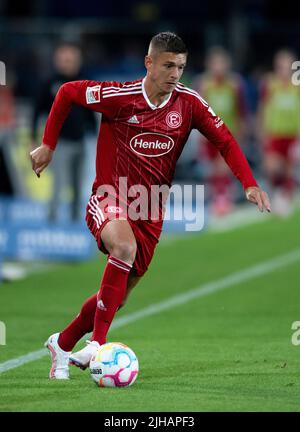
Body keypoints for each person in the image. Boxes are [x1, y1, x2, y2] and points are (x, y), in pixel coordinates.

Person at [30, 32, 271, 380]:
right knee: (123, 248)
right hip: (109, 197)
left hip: (151, 210)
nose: (176, 74)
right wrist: (48, 146)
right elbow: (67, 92)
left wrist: (248, 183)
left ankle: (63, 343)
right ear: (149, 63)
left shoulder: (189, 103)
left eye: (182, 67)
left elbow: (225, 140)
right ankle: (98, 345)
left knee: (117, 298)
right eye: (169, 65)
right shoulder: (121, 96)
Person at [31, 42, 97, 222]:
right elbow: (37, 110)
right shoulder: (50, 82)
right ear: (57, 60)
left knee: (79, 183)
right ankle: (51, 219)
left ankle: (75, 220)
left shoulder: (85, 81)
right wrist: (33, 137)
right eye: (64, 59)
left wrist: (96, 133)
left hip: (81, 140)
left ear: (78, 60)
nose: (68, 63)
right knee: (58, 183)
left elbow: (91, 109)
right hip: (58, 143)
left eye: (71, 59)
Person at [192, 47, 249, 216]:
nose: (218, 67)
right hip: (207, 133)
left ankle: (224, 198)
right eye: (215, 63)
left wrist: (242, 131)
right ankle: (217, 196)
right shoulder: (202, 83)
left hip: (227, 131)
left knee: (222, 166)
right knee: (212, 169)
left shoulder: (235, 83)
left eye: (221, 63)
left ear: (227, 64)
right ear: (209, 65)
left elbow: (241, 110)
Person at [256, 49, 300, 216]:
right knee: (273, 167)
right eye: (281, 65)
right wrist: (261, 130)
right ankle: (279, 192)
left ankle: (285, 197)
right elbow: (263, 108)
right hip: (275, 133)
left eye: (288, 65)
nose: (284, 69)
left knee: (289, 168)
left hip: (293, 134)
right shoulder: (270, 84)